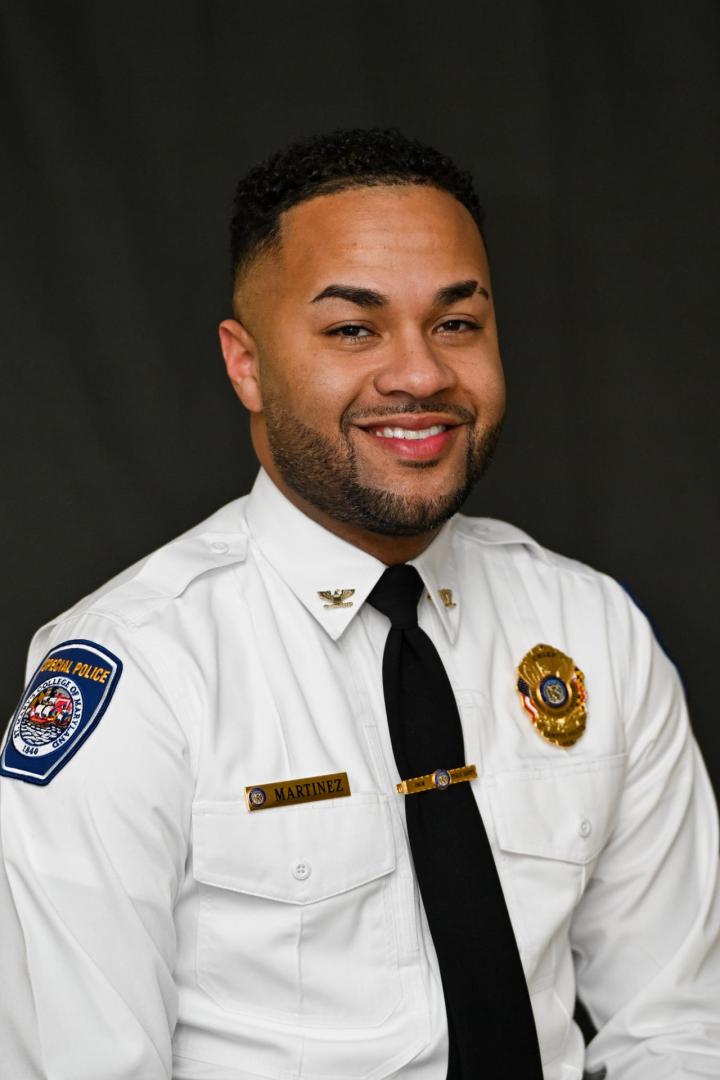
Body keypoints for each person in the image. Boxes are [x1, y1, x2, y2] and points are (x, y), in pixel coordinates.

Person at [1, 128, 718, 1080]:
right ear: (246, 364)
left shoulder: (593, 631)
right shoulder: (138, 669)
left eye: (456, 323)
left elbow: (679, 1027)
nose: (420, 375)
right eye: (353, 329)